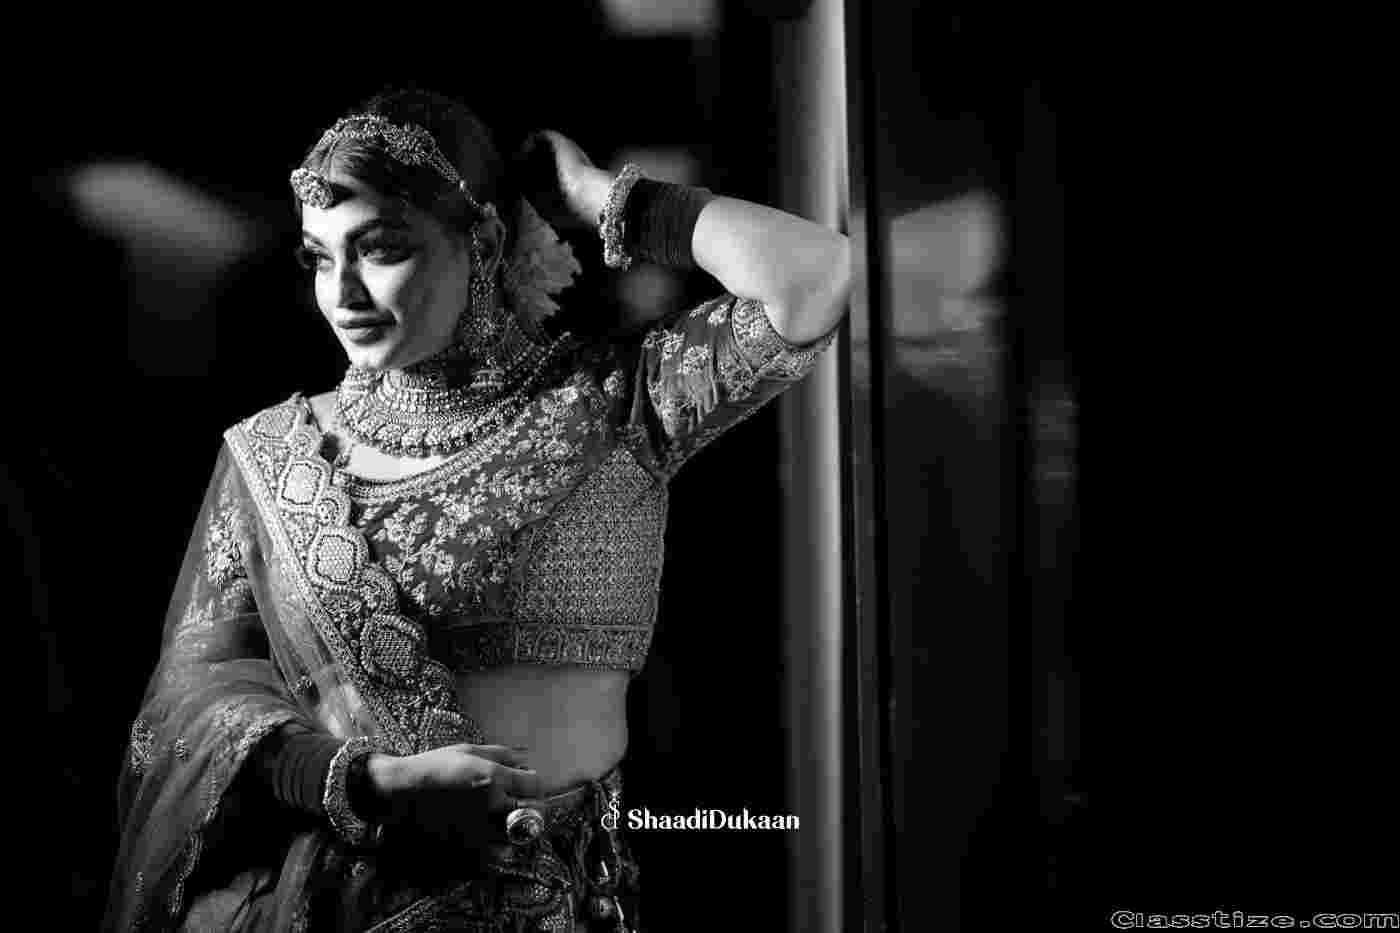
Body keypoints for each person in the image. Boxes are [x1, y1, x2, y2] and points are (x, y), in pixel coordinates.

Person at [104, 86, 851, 932]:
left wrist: (608, 198)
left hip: (571, 904)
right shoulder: (273, 456)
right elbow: (191, 706)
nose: (342, 292)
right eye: (319, 257)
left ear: (484, 243)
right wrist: (366, 781)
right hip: (346, 904)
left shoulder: (614, 402)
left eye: (379, 249)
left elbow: (818, 277)